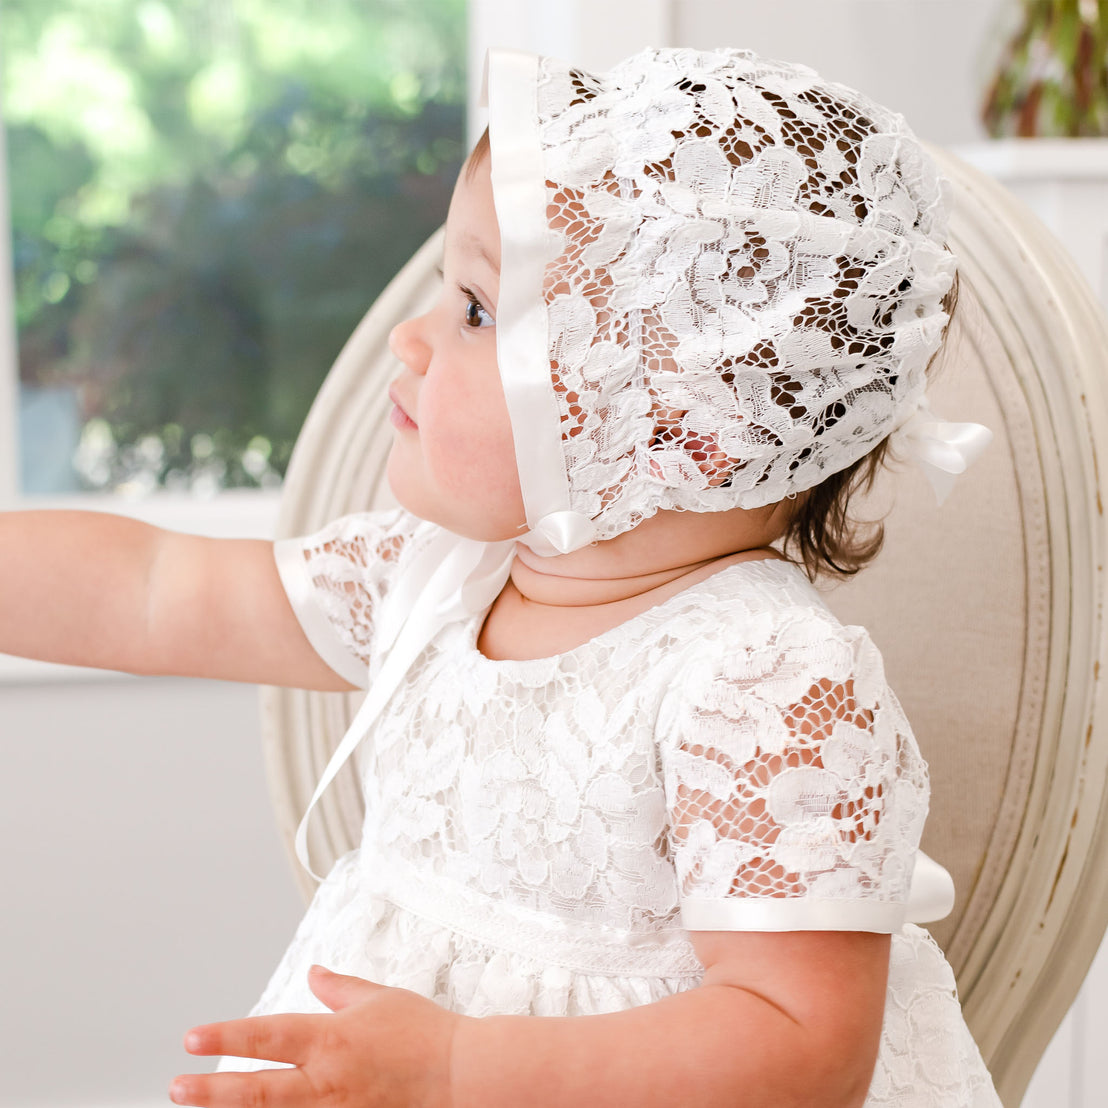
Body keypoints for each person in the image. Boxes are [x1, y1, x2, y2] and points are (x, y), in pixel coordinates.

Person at [2, 47, 1000, 1107]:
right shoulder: (438, 575)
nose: (413, 335)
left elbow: (801, 1044)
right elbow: (156, 590)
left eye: (477, 309)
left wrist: (460, 1067)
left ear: (681, 426)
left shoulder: (764, 679)